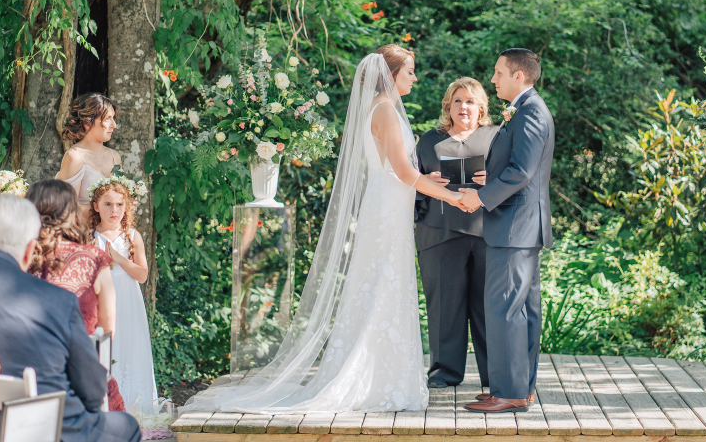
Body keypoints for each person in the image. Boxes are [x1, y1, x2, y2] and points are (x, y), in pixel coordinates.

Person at [184, 44, 463, 414]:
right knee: (384, 285)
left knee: (382, 286)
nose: (414, 77)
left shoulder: (379, 108)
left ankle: (381, 377)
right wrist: (452, 196)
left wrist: (428, 182)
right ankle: (376, 381)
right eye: (409, 71)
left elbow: (401, 170)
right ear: (390, 74)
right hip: (387, 209)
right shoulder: (386, 111)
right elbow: (403, 171)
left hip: (387, 205)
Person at [458, 48, 555, 414]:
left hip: (515, 227)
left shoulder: (529, 112)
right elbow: (517, 167)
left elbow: (522, 172)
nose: (493, 79)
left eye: (498, 72)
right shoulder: (527, 108)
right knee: (522, 310)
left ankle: (510, 392)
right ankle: (517, 388)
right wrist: (492, 179)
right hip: (521, 225)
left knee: (504, 310)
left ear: (518, 75)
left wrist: (480, 197)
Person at [0, 193, 141, 442]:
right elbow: (92, 390)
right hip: (48, 426)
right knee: (127, 426)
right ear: (29, 250)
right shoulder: (56, 301)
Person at [415, 77, 498, 388]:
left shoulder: (497, 137)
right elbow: (406, 181)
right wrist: (426, 183)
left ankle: (494, 374)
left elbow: (516, 177)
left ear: (481, 108)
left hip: (488, 232)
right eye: (458, 100)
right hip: (439, 233)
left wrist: (494, 179)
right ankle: (444, 372)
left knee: (488, 306)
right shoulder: (428, 141)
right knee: (444, 306)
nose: (464, 107)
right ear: (448, 106)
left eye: (471, 101)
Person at [26, 179, 126, 412]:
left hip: (26, 375)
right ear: (72, 212)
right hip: (78, 380)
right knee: (126, 425)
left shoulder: (20, 257)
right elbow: (107, 330)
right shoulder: (95, 259)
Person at [89, 178, 158, 419]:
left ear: (126, 206)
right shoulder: (89, 236)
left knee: (131, 346)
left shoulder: (132, 236)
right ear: (96, 206)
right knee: (107, 347)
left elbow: (142, 275)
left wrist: (119, 259)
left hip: (129, 301)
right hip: (101, 299)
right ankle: (106, 406)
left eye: (119, 205)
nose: (114, 210)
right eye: (108, 204)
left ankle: (136, 408)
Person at [58, 93, 122, 219]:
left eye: (113, 118)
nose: (114, 125)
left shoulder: (115, 157)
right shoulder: (75, 157)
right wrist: (107, 209)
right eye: (107, 119)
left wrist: (127, 204)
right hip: (85, 229)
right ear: (88, 122)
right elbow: (67, 209)